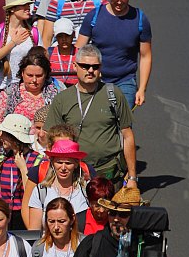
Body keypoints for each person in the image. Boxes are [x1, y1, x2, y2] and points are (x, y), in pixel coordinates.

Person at [45, 44, 137, 184]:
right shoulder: (62, 99)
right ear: (75, 66)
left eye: (95, 67)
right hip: (74, 173)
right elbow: (50, 139)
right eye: (85, 66)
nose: (90, 70)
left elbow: (127, 135)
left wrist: (132, 177)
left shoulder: (113, 94)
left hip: (109, 172)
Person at [76, 0, 153, 109]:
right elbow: (79, 49)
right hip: (96, 78)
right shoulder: (94, 17)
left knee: (122, 124)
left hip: (125, 80)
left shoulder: (140, 19)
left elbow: (145, 56)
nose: (119, 2)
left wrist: (142, 89)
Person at [23, 138, 89, 231]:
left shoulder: (86, 190)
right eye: (59, 162)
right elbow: (34, 231)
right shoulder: (41, 191)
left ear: (76, 164)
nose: (63, 167)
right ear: (52, 163)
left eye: (68, 163)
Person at [0, 114, 39, 228]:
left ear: (14, 137)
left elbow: (33, 195)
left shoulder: (38, 161)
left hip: (28, 214)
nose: (0, 137)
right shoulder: (2, 160)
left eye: (4, 133)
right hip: (5, 216)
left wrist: (23, 169)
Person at [0, 48, 63, 125]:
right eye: (30, 75)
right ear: (22, 73)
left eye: (39, 76)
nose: (34, 80)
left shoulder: (56, 93)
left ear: (45, 74)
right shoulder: (10, 93)